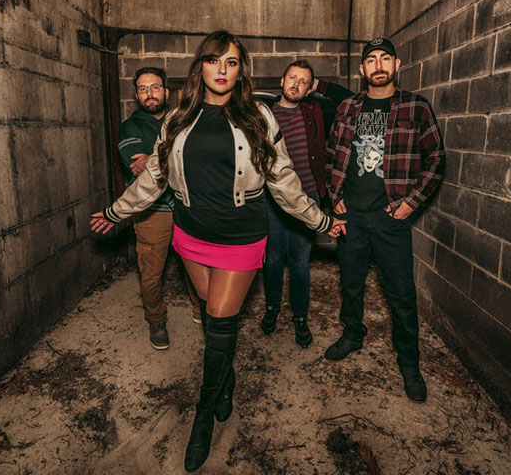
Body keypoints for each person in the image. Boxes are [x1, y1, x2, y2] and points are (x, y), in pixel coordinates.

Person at [90, 30, 345, 472]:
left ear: (241, 70)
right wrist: (117, 211)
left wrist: (319, 220)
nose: (222, 70)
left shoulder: (259, 116)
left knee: (222, 321)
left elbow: (284, 181)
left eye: (231, 62)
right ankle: (226, 378)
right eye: (213, 60)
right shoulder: (177, 117)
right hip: (191, 234)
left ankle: (203, 416)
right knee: (212, 315)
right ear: (200, 67)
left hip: (241, 236)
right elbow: (154, 177)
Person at [324, 37, 445, 403]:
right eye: (371, 60)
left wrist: (411, 203)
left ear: (397, 64)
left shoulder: (415, 107)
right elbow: (331, 154)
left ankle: (409, 361)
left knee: (402, 294)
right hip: (351, 216)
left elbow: (436, 160)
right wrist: (334, 198)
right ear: (362, 69)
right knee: (351, 283)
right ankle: (352, 334)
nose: (378, 65)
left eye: (385, 59)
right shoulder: (347, 107)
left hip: (390, 217)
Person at [261, 60, 353, 348]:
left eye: (304, 81)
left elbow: (349, 100)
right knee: (273, 258)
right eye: (292, 77)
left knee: (300, 262)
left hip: (309, 196)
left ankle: (299, 317)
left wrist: (320, 86)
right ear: (282, 81)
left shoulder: (314, 111)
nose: (296, 84)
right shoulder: (265, 114)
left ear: (309, 87)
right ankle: (272, 308)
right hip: (274, 199)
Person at [117, 67, 200, 351]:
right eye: (142, 89)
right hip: (152, 211)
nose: (149, 94)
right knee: (151, 271)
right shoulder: (130, 127)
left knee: (194, 263)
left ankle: (200, 308)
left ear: (165, 92)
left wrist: (155, 157)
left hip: (186, 206)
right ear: (137, 95)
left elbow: (195, 160)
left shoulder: (182, 121)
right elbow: (142, 170)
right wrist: (173, 157)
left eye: (154, 87)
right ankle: (156, 320)